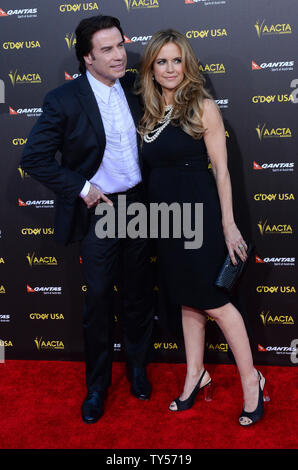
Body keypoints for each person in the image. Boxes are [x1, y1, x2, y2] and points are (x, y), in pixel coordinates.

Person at [20, 15, 154, 424]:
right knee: (98, 300)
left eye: (121, 46)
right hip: (100, 212)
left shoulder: (136, 87)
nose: (120, 55)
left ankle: (137, 369)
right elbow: (34, 159)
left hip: (140, 207)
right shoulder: (63, 99)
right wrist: (84, 188)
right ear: (87, 57)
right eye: (108, 50)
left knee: (138, 295)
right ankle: (97, 386)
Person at [136, 29, 268, 426]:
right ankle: (195, 375)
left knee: (217, 304)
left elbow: (223, 172)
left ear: (187, 63)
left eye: (177, 60)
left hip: (202, 219)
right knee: (186, 300)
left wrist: (228, 225)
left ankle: (252, 382)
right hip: (167, 221)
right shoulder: (150, 109)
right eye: (162, 61)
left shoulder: (202, 106)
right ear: (152, 68)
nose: (170, 68)